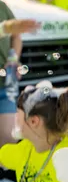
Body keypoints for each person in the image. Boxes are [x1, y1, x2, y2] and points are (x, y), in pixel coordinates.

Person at [0, 8, 38, 147]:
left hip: (5, 86)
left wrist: (13, 59)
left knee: (9, 141)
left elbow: (16, 37)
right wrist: (5, 28)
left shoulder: (2, 6)